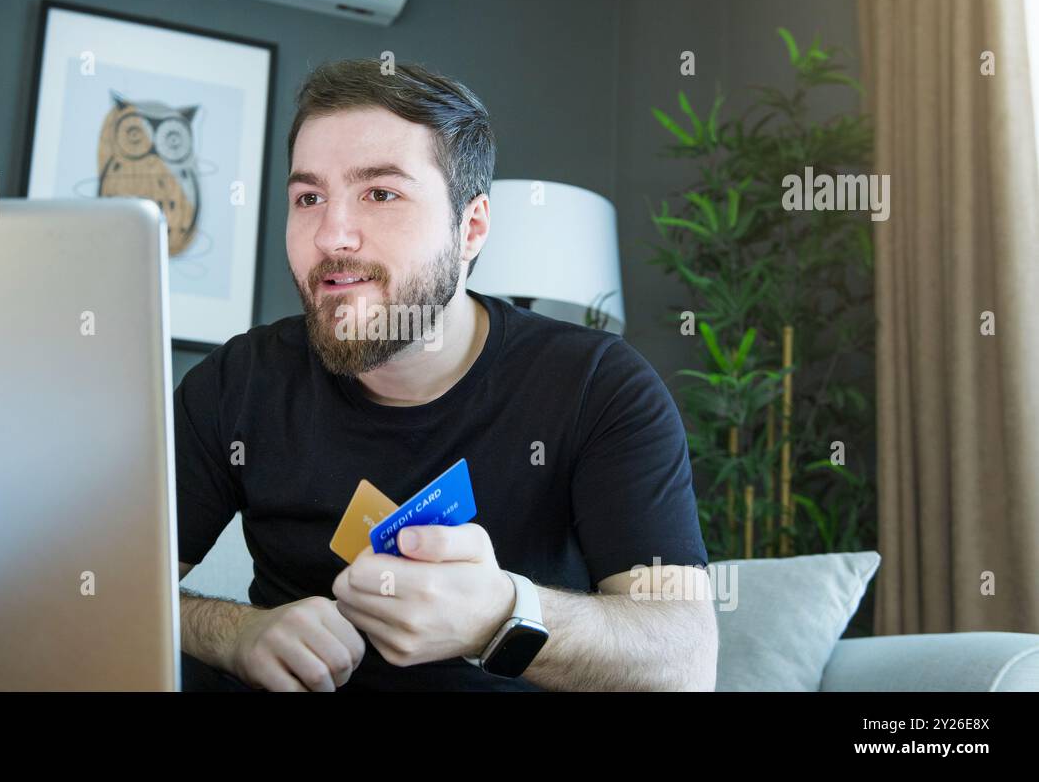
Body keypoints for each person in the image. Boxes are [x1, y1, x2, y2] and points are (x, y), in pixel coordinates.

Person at [175, 58, 716, 691]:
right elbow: (106, 594)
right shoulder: (239, 381)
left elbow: (685, 661)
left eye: (381, 193)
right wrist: (237, 634)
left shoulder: (598, 385)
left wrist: (502, 617)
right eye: (309, 197)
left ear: (472, 227)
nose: (332, 235)